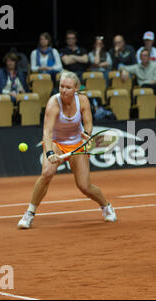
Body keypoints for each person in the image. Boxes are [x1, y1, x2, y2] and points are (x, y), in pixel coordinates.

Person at [17, 71, 117, 229]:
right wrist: (50, 153)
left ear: (76, 88)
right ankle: (29, 214)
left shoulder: (83, 100)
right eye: (61, 86)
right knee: (47, 173)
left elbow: (88, 124)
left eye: (68, 87)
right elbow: (47, 132)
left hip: (77, 143)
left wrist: (86, 136)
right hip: (56, 142)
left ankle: (106, 206)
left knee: (84, 186)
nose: (63, 90)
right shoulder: (53, 103)